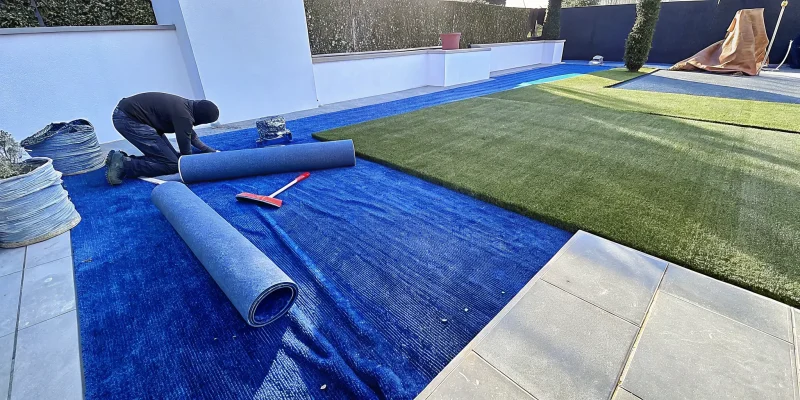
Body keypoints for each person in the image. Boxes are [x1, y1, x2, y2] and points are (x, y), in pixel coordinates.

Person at [105, 92, 220, 185]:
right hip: (128, 119)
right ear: (201, 119)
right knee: (172, 164)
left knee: (173, 158)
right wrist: (189, 167)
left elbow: (191, 136)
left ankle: (116, 158)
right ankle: (124, 164)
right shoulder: (184, 116)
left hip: (129, 114)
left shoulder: (186, 107)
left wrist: (210, 151)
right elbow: (185, 152)